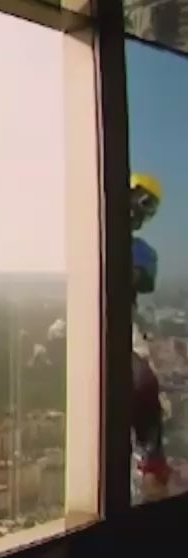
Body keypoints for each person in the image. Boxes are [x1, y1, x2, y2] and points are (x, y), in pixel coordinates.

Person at [128, 172, 172, 500]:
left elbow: (142, 280)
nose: (143, 213)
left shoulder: (141, 250)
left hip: (121, 324)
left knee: (143, 383)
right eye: (143, 201)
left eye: (149, 209)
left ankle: (150, 460)